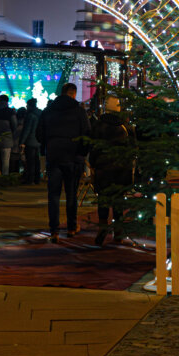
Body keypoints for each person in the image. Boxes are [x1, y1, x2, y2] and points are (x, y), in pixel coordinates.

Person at [36, 82, 91, 242]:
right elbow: (87, 133)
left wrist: (48, 145)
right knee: (71, 194)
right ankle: (71, 227)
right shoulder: (79, 111)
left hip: (54, 156)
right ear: (73, 94)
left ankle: (54, 230)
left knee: (53, 194)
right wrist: (81, 153)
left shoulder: (48, 110)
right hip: (72, 157)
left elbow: (39, 133)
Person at [90, 95, 134, 245]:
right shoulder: (125, 126)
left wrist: (93, 164)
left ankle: (102, 227)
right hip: (121, 167)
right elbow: (132, 147)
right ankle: (118, 230)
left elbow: (94, 146)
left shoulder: (98, 125)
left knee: (103, 198)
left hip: (103, 166)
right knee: (118, 199)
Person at [18, 98, 42, 184]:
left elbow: (27, 130)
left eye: (27, 105)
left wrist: (21, 141)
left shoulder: (30, 115)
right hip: (38, 141)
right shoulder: (40, 114)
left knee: (30, 161)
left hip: (30, 141)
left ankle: (30, 179)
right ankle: (37, 179)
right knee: (37, 160)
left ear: (30, 106)